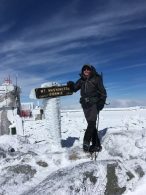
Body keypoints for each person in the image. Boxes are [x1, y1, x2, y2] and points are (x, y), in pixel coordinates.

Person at [67, 64, 107, 153]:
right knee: (91, 123)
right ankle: (97, 145)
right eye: (84, 69)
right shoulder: (81, 80)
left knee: (92, 123)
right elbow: (74, 89)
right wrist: (71, 85)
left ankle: (86, 141)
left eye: (88, 69)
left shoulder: (96, 78)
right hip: (85, 105)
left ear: (91, 70)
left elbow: (103, 92)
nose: (86, 70)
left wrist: (101, 102)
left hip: (94, 103)